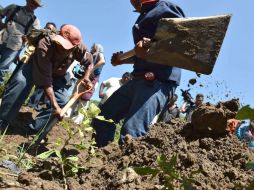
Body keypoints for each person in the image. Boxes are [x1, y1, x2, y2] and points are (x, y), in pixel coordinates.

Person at [92, 0, 185, 147]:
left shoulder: (165, 8)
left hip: (157, 82)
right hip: (137, 79)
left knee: (131, 132)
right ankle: (100, 159)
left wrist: (152, 45)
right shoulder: (144, 14)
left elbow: (182, 41)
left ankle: (126, 168)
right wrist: (123, 60)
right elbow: (142, 54)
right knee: (103, 119)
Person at [0, 24, 93, 133]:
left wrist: (86, 77)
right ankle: (3, 120)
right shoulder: (45, 43)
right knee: (20, 83)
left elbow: (89, 63)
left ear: (74, 46)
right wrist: (55, 106)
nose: (61, 48)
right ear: (59, 35)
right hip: (35, 67)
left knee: (62, 100)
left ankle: (33, 129)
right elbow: (46, 81)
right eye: (60, 43)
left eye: (65, 47)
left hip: (57, 74)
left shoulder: (79, 48)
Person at [0, 0, 41, 85]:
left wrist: (28, 38)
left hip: (15, 46)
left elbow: (36, 36)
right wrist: (1, 23)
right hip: (1, 37)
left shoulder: (35, 21)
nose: (33, 5)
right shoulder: (13, 7)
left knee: (2, 69)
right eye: (32, 2)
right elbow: (1, 14)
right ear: (27, 1)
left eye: (36, 5)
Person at [66, 43, 106, 124]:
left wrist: (91, 69)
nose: (91, 48)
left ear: (96, 48)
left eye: (93, 47)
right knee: (74, 95)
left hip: (92, 80)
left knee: (84, 99)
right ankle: (67, 115)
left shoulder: (99, 54)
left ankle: (77, 121)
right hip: (84, 77)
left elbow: (102, 61)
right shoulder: (91, 55)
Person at [26, 22, 57, 111]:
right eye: (47, 28)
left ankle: (32, 105)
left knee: (40, 87)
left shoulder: (54, 39)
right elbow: (31, 35)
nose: (48, 30)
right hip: (32, 60)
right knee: (26, 83)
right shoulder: (39, 34)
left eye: (50, 29)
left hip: (44, 65)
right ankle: (29, 104)